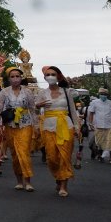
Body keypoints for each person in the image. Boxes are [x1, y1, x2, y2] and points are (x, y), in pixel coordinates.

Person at [34, 66, 81, 197]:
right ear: (44, 77)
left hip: (66, 126)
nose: (50, 76)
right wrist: (38, 106)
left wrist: (77, 127)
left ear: (58, 76)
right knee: (51, 158)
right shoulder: (42, 93)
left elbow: (72, 110)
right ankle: (58, 178)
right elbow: (36, 110)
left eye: (53, 74)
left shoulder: (67, 92)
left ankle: (64, 186)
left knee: (64, 156)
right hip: (48, 127)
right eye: (48, 74)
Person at [0, 67, 38, 191]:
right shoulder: (4, 92)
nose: (15, 79)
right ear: (9, 79)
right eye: (12, 76)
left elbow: (32, 109)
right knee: (15, 154)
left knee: (24, 152)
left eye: (17, 76)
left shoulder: (27, 92)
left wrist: (36, 126)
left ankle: (28, 181)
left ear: (21, 78)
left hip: (25, 124)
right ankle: (19, 181)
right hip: (10, 125)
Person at [86, 88, 111, 163]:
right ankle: (100, 156)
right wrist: (90, 123)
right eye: (102, 94)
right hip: (98, 125)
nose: (103, 95)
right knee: (99, 143)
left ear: (107, 95)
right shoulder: (94, 103)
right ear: (99, 95)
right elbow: (91, 114)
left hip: (110, 125)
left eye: (105, 94)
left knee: (110, 142)